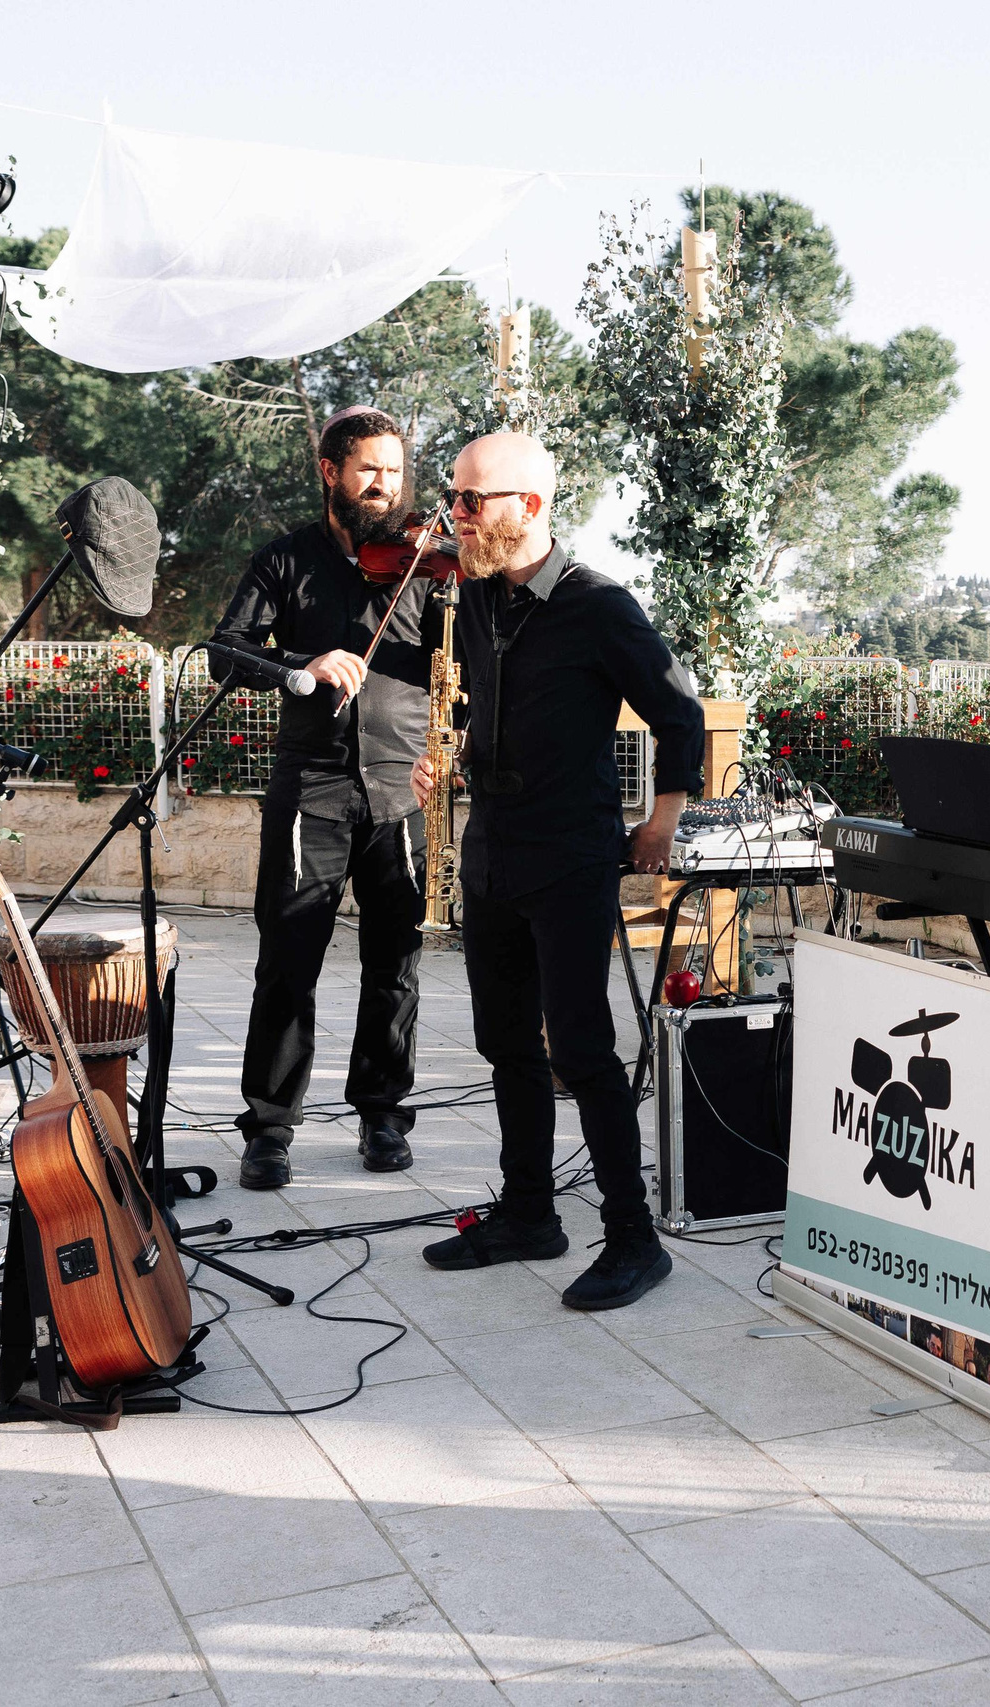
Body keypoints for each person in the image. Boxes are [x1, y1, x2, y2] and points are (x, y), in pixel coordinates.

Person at [411, 431, 706, 1311]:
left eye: (470, 500)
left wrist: (662, 818)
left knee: (579, 1048)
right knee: (505, 1042)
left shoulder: (599, 604)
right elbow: (468, 709)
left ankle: (633, 1239)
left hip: (571, 848)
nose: (453, 514)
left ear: (529, 507)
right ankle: (530, 1214)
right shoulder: (470, 600)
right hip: (493, 840)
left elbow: (678, 711)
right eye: (453, 498)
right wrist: (442, 762)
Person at [212, 406, 440, 1190]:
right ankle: (269, 1127)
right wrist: (303, 662)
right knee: (288, 961)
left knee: (396, 963)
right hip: (311, 789)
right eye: (369, 470)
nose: (385, 486)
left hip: (402, 790)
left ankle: (383, 1112)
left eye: (394, 471)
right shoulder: (286, 560)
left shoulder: (425, 564)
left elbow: (471, 661)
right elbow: (224, 651)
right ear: (331, 472)